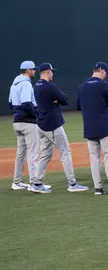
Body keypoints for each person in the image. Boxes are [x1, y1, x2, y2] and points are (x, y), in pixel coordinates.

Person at [33, 63, 88, 193]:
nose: (52, 74)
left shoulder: (37, 85)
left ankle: (36, 182)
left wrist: (55, 101)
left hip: (41, 124)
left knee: (46, 154)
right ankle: (72, 183)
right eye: (51, 72)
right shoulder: (49, 86)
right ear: (47, 72)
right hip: (52, 125)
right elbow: (64, 99)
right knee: (65, 153)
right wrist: (56, 101)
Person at [77, 62, 108, 195]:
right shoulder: (104, 85)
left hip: (89, 127)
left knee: (94, 159)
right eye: (106, 73)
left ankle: (98, 188)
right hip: (104, 127)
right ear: (103, 71)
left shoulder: (82, 86)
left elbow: (78, 105)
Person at [9, 61, 42, 192]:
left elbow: (11, 104)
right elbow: (27, 103)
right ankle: (35, 183)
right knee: (33, 153)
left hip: (17, 121)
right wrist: (36, 116)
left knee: (21, 153)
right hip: (28, 122)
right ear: (28, 70)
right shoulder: (26, 84)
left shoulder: (14, 84)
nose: (35, 71)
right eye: (33, 69)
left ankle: (16, 182)